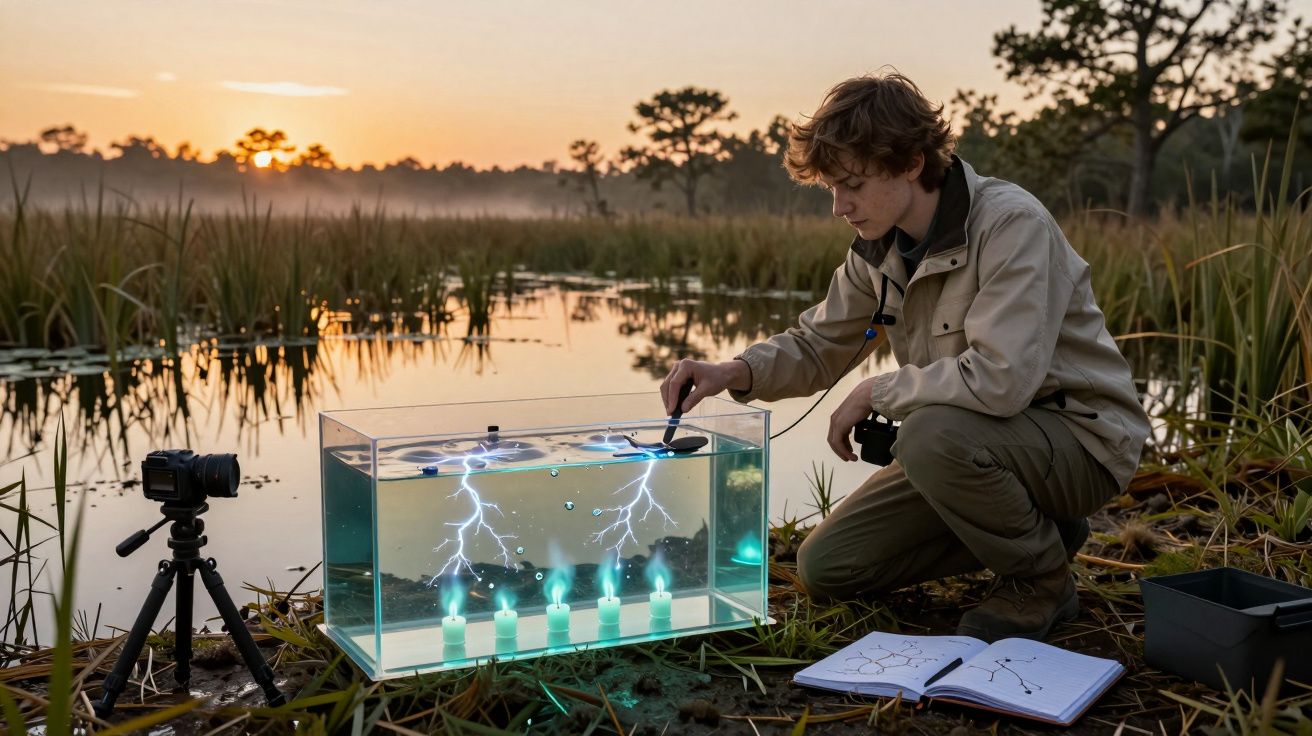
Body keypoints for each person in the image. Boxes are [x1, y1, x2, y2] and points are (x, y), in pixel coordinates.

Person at [660, 72, 1150, 642]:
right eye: (831, 188)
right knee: (829, 568)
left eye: (853, 184)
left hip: (1081, 444)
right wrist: (733, 372)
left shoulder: (1010, 224)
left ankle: (1039, 581)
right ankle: (1041, 532)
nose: (841, 206)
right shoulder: (879, 248)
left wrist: (877, 392)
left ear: (913, 162)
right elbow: (820, 343)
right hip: (977, 448)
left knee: (925, 435)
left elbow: (1002, 380)